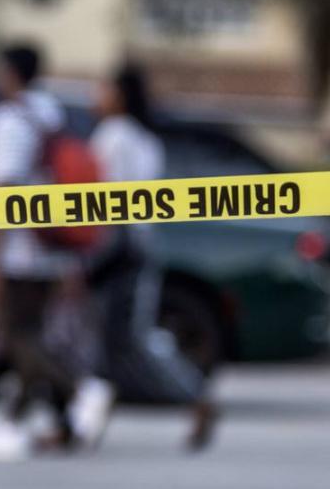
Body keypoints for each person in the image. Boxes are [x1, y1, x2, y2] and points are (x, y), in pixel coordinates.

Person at [0, 44, 110, 460]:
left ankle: (79, 391)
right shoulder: (49, 113)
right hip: (55, 241)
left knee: (18, 334)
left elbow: (3, 190)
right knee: (25, 334)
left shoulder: (9, 120)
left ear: (9, 72)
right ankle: (36, 420)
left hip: (23, 247)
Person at [88, 63, 218, 450]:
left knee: (127, 337)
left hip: (119, 247)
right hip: (138, 244)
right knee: (107, 340)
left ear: (120, 95)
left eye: (103, 88)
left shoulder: (115, 136)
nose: (97, 97)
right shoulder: (145, 139)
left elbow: (103, 199)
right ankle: (83, 423)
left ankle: (195, 397)